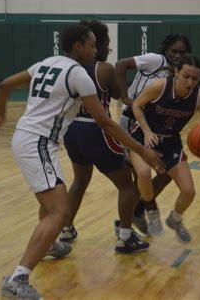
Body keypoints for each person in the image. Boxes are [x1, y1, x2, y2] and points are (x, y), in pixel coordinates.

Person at [0, 23, 165, 300]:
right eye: (92, 45)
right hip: (38, 142)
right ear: (77, 47)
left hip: (26, 137)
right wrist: (142, 151)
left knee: (52, 206)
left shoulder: (45, 63)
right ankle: (17, 279)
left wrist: (0, 115)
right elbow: (106, 122)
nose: (96, 50)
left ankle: (47, 245)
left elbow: (4, 85)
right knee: (59, 213)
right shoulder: (78, 75)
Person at [58, 20, 148, 254]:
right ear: (93, 44)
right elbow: (118, 94)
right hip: (96, 129)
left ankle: (65, 228)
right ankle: (126, 237)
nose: (106, 48)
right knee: (127, 184)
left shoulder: (67, 67)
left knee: (79, 181)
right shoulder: (104, 69)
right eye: (104, 43)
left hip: (71, 130)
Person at [129, 54, 200, 244]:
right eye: (186, 76)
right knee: (143, 173)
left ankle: (175, 219)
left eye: (195, 78)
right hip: (142, 137)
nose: (190, 82)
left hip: (170, 142)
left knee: (189, 191)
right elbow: (136, 105)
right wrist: (146, 131)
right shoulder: (159, 87)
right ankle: (151, 210)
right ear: (176, 72)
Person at [115, 34, 192, 236]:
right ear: (166, 50)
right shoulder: (155, 60)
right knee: (140, 176)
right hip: (132, 121)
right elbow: (121, 64)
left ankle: (138, 210)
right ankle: (125, 224)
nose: (177, 55)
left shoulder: (178, 75)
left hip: (151, 127)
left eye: (182, 53)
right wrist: (125, 96)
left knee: (165, 173)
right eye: (174, 51)